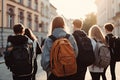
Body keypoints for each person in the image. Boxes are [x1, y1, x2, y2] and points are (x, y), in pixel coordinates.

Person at [41, 16, 78, 80]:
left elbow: (45, 62)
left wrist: (51, 70)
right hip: (69, 74)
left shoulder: (49, 39)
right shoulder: (70, 37)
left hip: (54, 75)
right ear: (64, 25)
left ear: (53, 25)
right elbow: (76, 53)